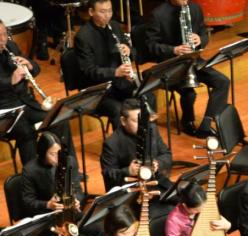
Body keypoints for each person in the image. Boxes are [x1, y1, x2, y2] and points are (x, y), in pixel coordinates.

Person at [144, 0, 230, 137]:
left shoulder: (195, 8)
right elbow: (151, 45)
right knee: (189, 93)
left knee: (222, 81)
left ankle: (206, 124)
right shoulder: (157, 14)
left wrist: (200, 39)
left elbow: (203, 32)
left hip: (193, 60)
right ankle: (187, 121)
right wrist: (174, 50)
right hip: (171, 65)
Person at [74, 0, 152, 128]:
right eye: (102, 12)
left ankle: (146, 134)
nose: (107, 16)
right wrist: (115, 72)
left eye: (110, 11)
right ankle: (123, 140)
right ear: (91, 12)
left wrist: (129, 51)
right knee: (118, 109)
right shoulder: (82, 37)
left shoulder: (114, 26)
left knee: (147, 94)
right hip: (98, 91)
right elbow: (89, 70)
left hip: (118, 83)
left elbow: (134, 52)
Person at [0, 20, 50, 164]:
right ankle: (32, 175)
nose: (3, 39)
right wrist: (11, 80)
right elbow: (9, 80)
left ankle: (69, 169)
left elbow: (36, 68)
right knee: (27, 132)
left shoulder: (11, 46)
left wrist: (29, 65)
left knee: (56, 119)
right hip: (4, 111)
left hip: (24, 103)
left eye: (4, 34)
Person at [100, 98, 173, 197]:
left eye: (144, 119)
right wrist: (128, 171)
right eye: (136, 121)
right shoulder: (111, 143)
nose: (142, 124)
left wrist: (157, 163)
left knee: (181, 195)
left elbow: (166, 154)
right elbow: (107, 173)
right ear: (123, 121)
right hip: (130, 189)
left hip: (154, 182)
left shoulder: (152, 129)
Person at [20, 133, 84, 221]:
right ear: (42, 153)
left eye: (59, 152)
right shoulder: (29, 170)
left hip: (70, 211)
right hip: (47, 216)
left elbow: (78, 189)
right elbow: (28, 202)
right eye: (52, 154)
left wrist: (76, 200)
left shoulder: (69, 161)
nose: (57, 157)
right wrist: (48, 204)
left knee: (95, 227)